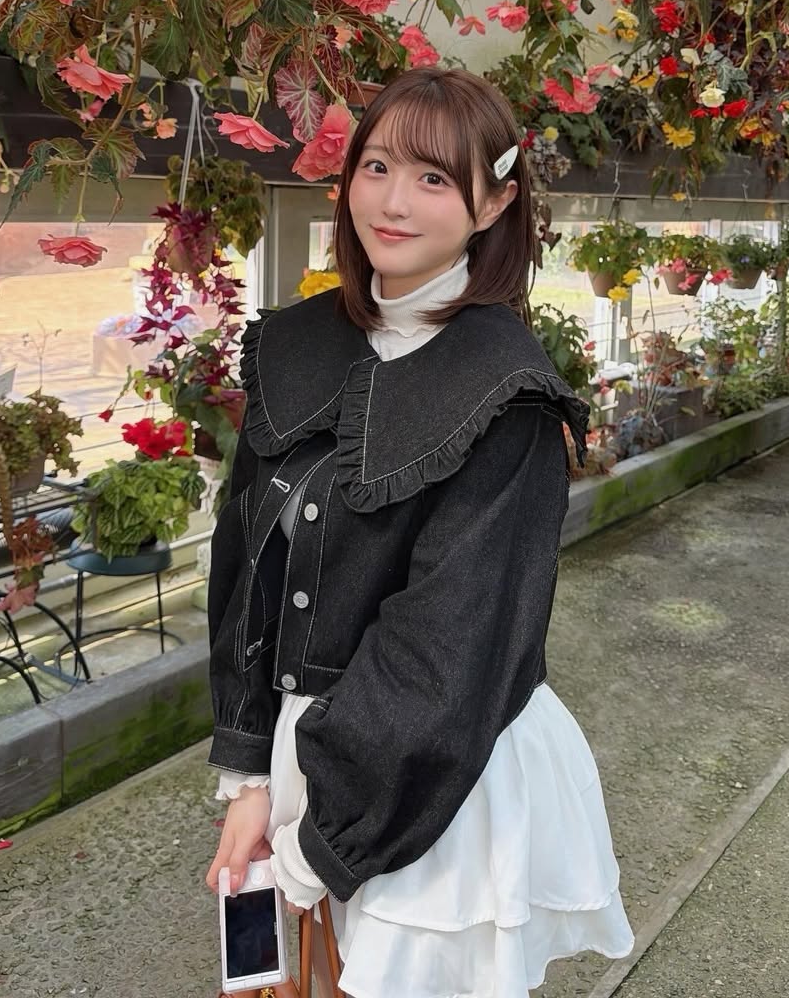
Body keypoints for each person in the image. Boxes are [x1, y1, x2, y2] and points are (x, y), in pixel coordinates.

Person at [205, 67, 634, 996]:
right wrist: (249, 778)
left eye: (434, 178)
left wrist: (319, 836)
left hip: (437, 776)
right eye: (378, 167)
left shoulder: (507, 394)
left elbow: (448, 649)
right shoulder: (295, 342)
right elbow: (244, 573)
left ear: (495, 203)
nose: (393, 203)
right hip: (304, 758)